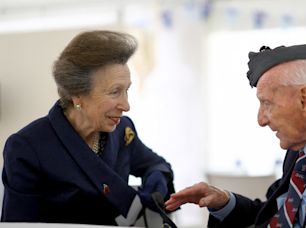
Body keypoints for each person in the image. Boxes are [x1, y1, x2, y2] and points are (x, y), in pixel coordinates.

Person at [165, 43, 306, 227]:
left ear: (304, 99)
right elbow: (278, 216)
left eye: (267, 103)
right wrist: (224, 201)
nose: (261, 119)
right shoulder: (299, 151)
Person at [1, 30, 176, 226]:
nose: (126, 106)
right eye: (115, 92)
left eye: (126, 90)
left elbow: (155, 164)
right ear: (77, 95)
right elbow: (17, 226)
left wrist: (156, 179)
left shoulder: (122, 129)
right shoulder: (27, 148)